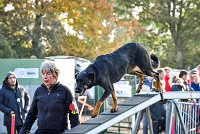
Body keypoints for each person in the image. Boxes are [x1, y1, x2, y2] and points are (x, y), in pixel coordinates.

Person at [19, 60, 80, 134]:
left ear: (55, 74)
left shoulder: (65, 91)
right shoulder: (39, 91)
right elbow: (31, 114)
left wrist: (76, 132)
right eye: (43, 73)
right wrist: (24, 130)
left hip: (59, 131)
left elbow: (74, 114)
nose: (45, 76)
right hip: (41, 131)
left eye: (48, 74)